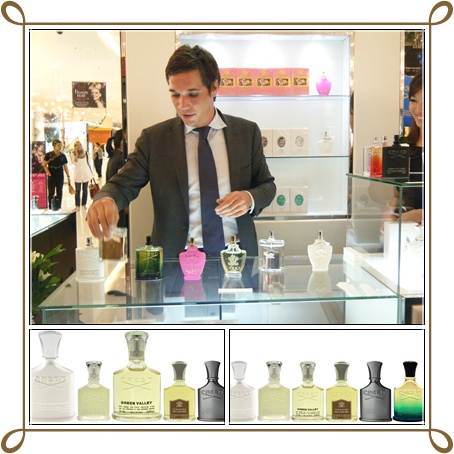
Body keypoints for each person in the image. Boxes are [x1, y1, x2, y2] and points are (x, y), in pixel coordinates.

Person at [87, 44, 276, 258]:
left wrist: (249, 198)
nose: (182, 104)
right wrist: (106, 199)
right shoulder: (155, 139)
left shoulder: (246, 132)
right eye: (175, 94)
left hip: (237, 256)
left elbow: (267, 186)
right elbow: (122, 185)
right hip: (178, 262)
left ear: (214, 88)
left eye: (192, 94)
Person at [396, 69, 424, 224]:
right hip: (407, 233)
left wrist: (423, 215)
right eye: (414, 100)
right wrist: (392, 209)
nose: (419, 109)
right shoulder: (403, 146)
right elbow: (398, 195)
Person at [41, 139, 71, 210]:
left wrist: (68, 175)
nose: (60, 147)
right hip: (51, 174)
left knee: (59, 191)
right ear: (54, 146)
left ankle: (58, 205)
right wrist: (48, 173)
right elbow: (44, 164)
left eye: (60, 145)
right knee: (51, 191)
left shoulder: (62, 156)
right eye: (58, 145)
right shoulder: (49, 155)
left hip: (60, 173)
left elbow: (65, 166)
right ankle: (51, 206)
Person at [73, 140, 93, 211]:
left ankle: (84, 204)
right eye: (76, 145)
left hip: (85, 174)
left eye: (80, 145)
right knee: (77, 190)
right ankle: (77, 205)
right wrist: (76, 154)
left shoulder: (85, 153)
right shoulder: (72, 154)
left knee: (85, 190)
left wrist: (91, 174)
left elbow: (88, 164)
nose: (78, 146)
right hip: (78, 174)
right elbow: (74, 162)